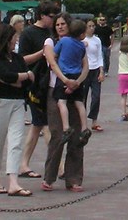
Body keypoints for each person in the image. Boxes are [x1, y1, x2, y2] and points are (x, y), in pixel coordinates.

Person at [0, 23, 34, 197]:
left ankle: (13, 182)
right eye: (13, 38)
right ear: (5, 39)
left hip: (18, 102)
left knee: (16, 141)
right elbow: (5, 75)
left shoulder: (17, 58)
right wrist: (21, 77)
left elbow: (24, 79)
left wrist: (18, 78)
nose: (16, 41)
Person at [41, 13, 89, 192]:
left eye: (63, 24)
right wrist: (65, 80)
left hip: (74, 88)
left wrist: (77, 82)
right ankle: (49, 177)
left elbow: (86, 66)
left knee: (76, 137)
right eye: (57, 24)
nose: (60, 27)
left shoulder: (78, 44)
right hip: (56, 89)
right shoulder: (51, 42)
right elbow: (52, 63)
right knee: (57, 135)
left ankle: (74, 178)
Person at [17, 0, 59, 179]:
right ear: (42, 15)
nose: (54, 21)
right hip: (36, 83)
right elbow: (22, 60)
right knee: (44, 124)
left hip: (49, 82)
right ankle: (58, 165)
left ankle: (24, 163)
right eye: (51, 17)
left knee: (38, 125)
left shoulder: (52, 31)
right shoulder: (28, 33)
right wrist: (43, 53)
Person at [53, 19, 91, 147]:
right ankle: (85, 127)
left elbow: (54, 54)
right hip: (77, 75)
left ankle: (66, 127)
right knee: (79, 103)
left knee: (61, 102)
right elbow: (82, 59)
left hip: (64, 75)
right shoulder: (82, 46)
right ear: (81, 35)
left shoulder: (63, 41)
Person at [84, 18, 105, 132]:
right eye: (89, 26)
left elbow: (99, 55)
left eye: (93, 26)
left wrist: (101, 71)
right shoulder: (82, 40)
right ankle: (82, 122)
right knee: (83, 96)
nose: (92, 28)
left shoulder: (97, 40)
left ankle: (94, 120)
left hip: (96, 69)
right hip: (85, 70)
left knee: (96, 96)